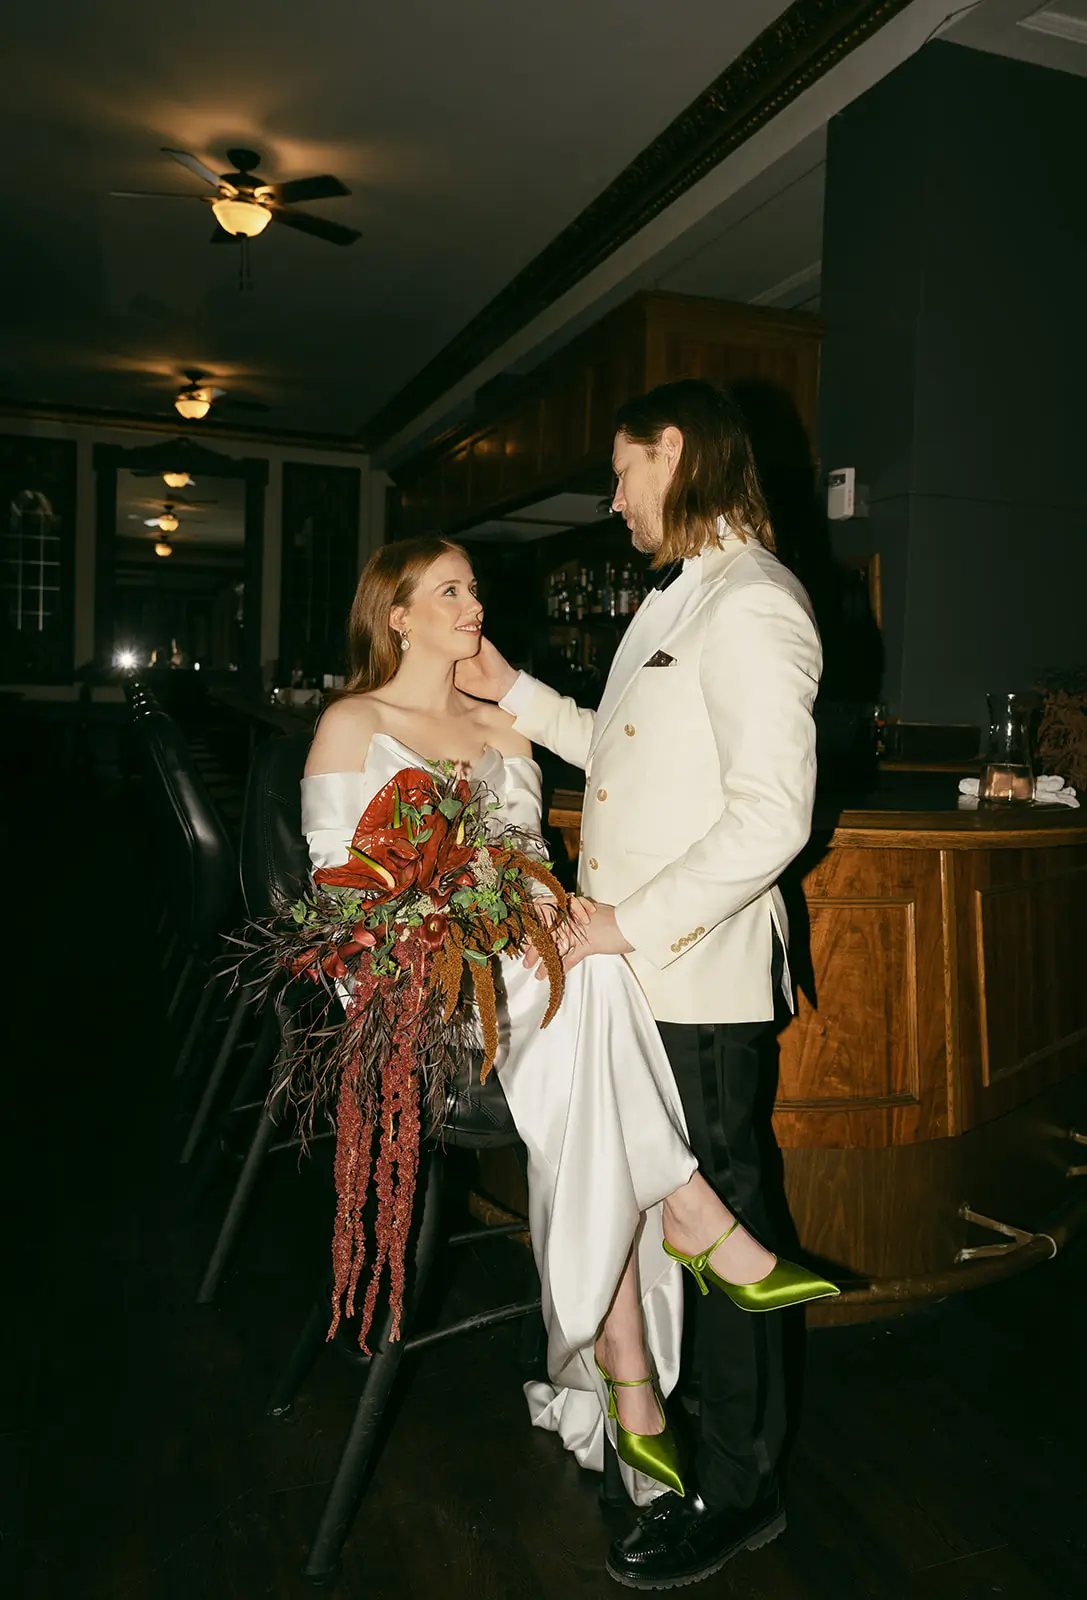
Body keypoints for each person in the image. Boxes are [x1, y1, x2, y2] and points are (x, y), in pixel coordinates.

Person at [454, 379, 829, 1589]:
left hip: (695, 977)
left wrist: (623, 921)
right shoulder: (680, 597)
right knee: (681, 1230)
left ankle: (741, 1487)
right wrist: (510, 690)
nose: (613, 501)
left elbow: (771, 819)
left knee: (725, 1233)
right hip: (635, 981)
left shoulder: (755, 601)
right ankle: (680, 1430)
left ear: (674, 453)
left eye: (622, 474)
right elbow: (613, 753)